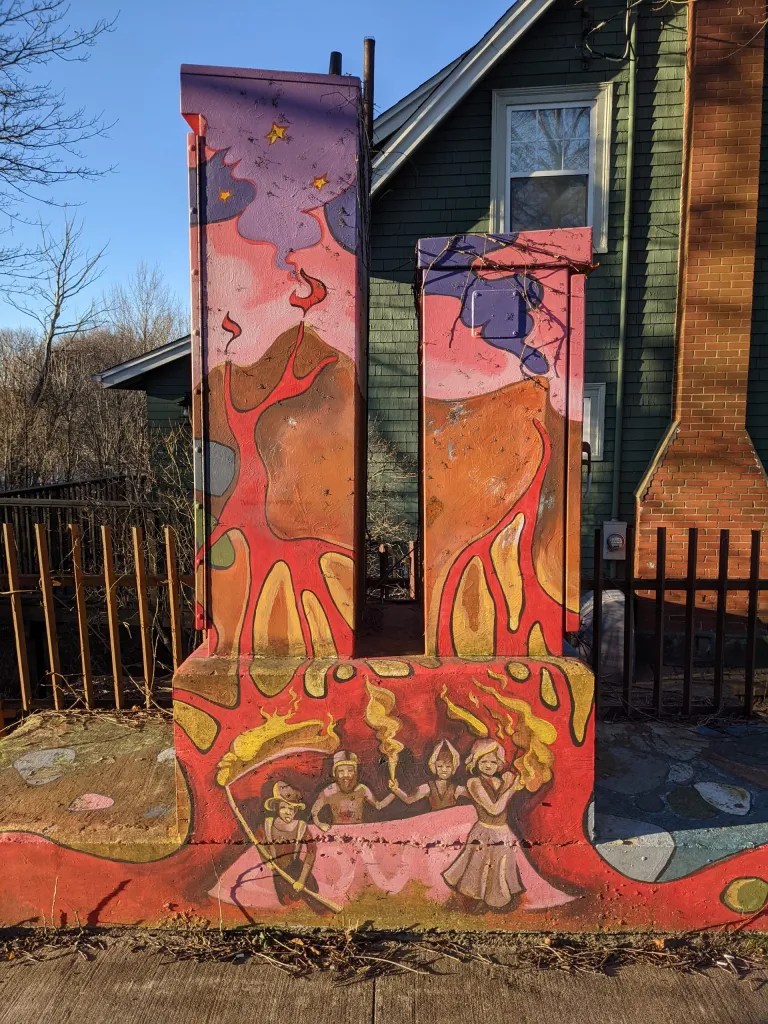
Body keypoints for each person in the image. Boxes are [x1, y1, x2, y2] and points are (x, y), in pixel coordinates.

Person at [442, 738, 525, 910]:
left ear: (499, 763)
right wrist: (511, 788)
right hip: (484, 832)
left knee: (500, 869)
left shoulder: (501, 781)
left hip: (503, 832)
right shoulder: (474, 782)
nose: (488, 765)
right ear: (476, 761)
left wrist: (508, 783)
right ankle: (476, 902)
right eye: (484, 761)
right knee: (478, 869)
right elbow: (494, 809)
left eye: (493, 762)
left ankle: (497, 901)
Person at [261, 781, 318, 903]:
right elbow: (259, 843)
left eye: (291, 808)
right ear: (276, 808)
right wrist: (266, 860)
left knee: (312, 898)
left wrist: (302, 880)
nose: (287, 812)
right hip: (278, 873)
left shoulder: (301, 827)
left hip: (297, 870)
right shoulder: (267, 825)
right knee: (286, 902)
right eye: (283, 807)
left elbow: (311, 851)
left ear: (296, 810)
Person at [311, 750, 395, 831]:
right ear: (334, 773)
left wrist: (394, 792)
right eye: (341, 771)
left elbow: (378, 805)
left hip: (358, 831)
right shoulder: (329, 791)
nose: (346, 775)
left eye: (350, 770)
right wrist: (319, 824)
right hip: (337, 832)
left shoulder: (362, 789)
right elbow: (314, 811)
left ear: (355, 772)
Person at [389, 739, 467, 810]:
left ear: (453, 768)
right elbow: (409, 800)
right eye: (439, 766)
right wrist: (396, 789)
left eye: (448, 766)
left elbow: (474, 795)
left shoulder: (457, 789)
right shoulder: (427, 788)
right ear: (434, 766)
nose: (444, 770)